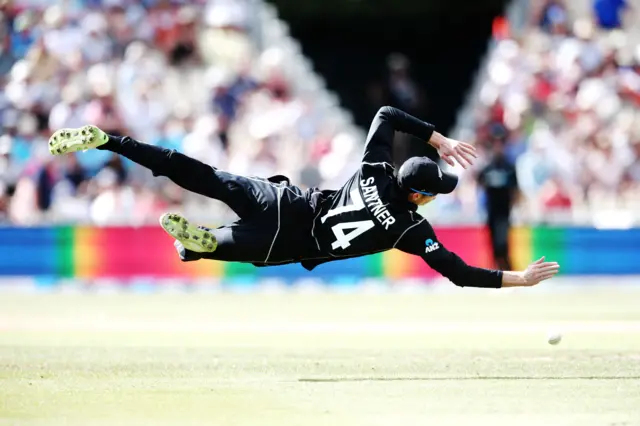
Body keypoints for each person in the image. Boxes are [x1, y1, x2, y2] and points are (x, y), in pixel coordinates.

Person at [48, 107, 560, 288]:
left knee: (201, 174)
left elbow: (383, 114)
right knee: (214, 247)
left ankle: (114, 142)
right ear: (421, 195)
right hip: (291, 239)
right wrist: (520, 278)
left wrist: (439, 140)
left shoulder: (375, 171)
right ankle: (198, 247)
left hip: (284, 200)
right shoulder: (410, 228)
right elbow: (458, 272)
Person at [477, 140, 519, 270]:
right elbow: (479, 183)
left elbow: (515, 190)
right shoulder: (487, 168)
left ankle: (507, 270)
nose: (498, 149)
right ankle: (497, 271)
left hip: (504, 213)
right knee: (493, 244)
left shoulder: (509, 168)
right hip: (491, 213)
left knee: (503, 243)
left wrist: (514, 206)